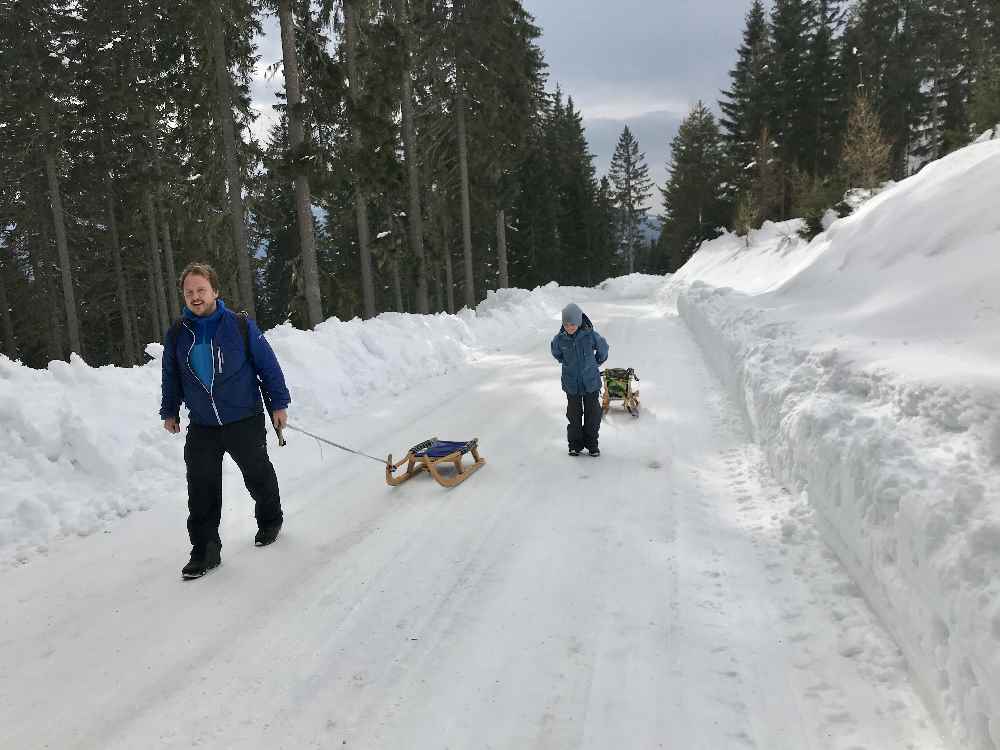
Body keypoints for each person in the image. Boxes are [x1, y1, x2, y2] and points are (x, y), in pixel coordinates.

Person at [160, 262, 291, 579]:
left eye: (201, 290)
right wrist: (170, 409)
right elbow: (171, 375)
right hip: (203, 425)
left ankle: (270, 519)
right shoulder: (178, 333)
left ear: (215, 291)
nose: (195, 297)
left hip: (243, 418)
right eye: (189, 292)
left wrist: (278, 403)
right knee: (201, 488)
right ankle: (205, 551)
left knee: (257, 473)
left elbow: (268, 366)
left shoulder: (240, 326)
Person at [550, 302, 609, 457]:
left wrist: (597, 362)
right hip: (572, 384)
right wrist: (566, 363)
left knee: (593, 415)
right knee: (574, 415)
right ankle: (575, 445)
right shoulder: (560, 339)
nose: (569, 327)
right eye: (566, 324)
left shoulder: (590, 336)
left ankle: (591, 444)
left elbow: (603, 348)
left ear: (579, 322)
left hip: (590, 382)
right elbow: (556, 352)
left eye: (573, 324)